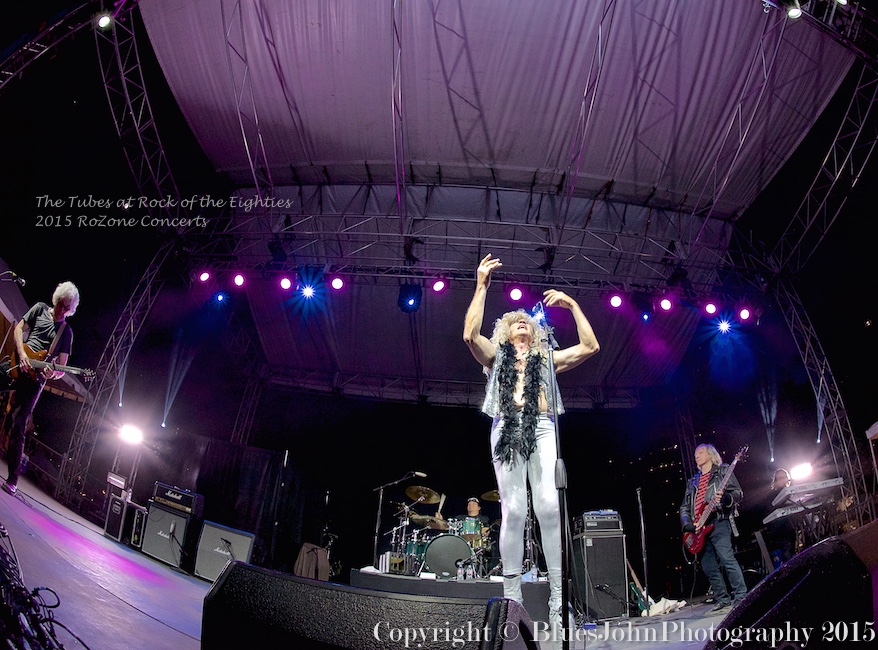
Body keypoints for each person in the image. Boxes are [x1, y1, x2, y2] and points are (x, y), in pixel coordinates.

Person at [463, 253, 599, 633]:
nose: (521, 320)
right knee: (515, 510)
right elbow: (469, 336)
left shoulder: (547, 357)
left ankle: (558, 602)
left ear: (534, 331)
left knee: (550, 508)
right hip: (507, 426)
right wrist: (482, 285)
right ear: (506, 331)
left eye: (526, 320)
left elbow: (590, 347)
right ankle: (513, 603)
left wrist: (572, 305)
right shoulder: (496, 355)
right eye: (514, 320)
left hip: (541, 426)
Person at [3, 281, 79, 495]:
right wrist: (23, 354)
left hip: (35, 380)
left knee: (19, 424)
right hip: (16, 362)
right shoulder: (38, 308)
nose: (62, 311)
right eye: (61, 305)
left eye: (67, 308)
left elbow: (62, 367)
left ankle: (12, 479)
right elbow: (19, 329)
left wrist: (52, 373)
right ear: (56, 300)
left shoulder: (66, 332)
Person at [680, 443, 748, 613]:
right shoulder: (692, 481)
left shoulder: (723, 471)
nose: (697, 455)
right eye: (695, 453)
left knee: (727, 558)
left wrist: (725, 499)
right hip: (698, 529)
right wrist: (687, 524)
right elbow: (684, 507)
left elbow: (738, 493)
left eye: (701, 452)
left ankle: (741, 596)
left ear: (710, 455)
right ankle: (722, 599)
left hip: (718, 521)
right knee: (708, 565)